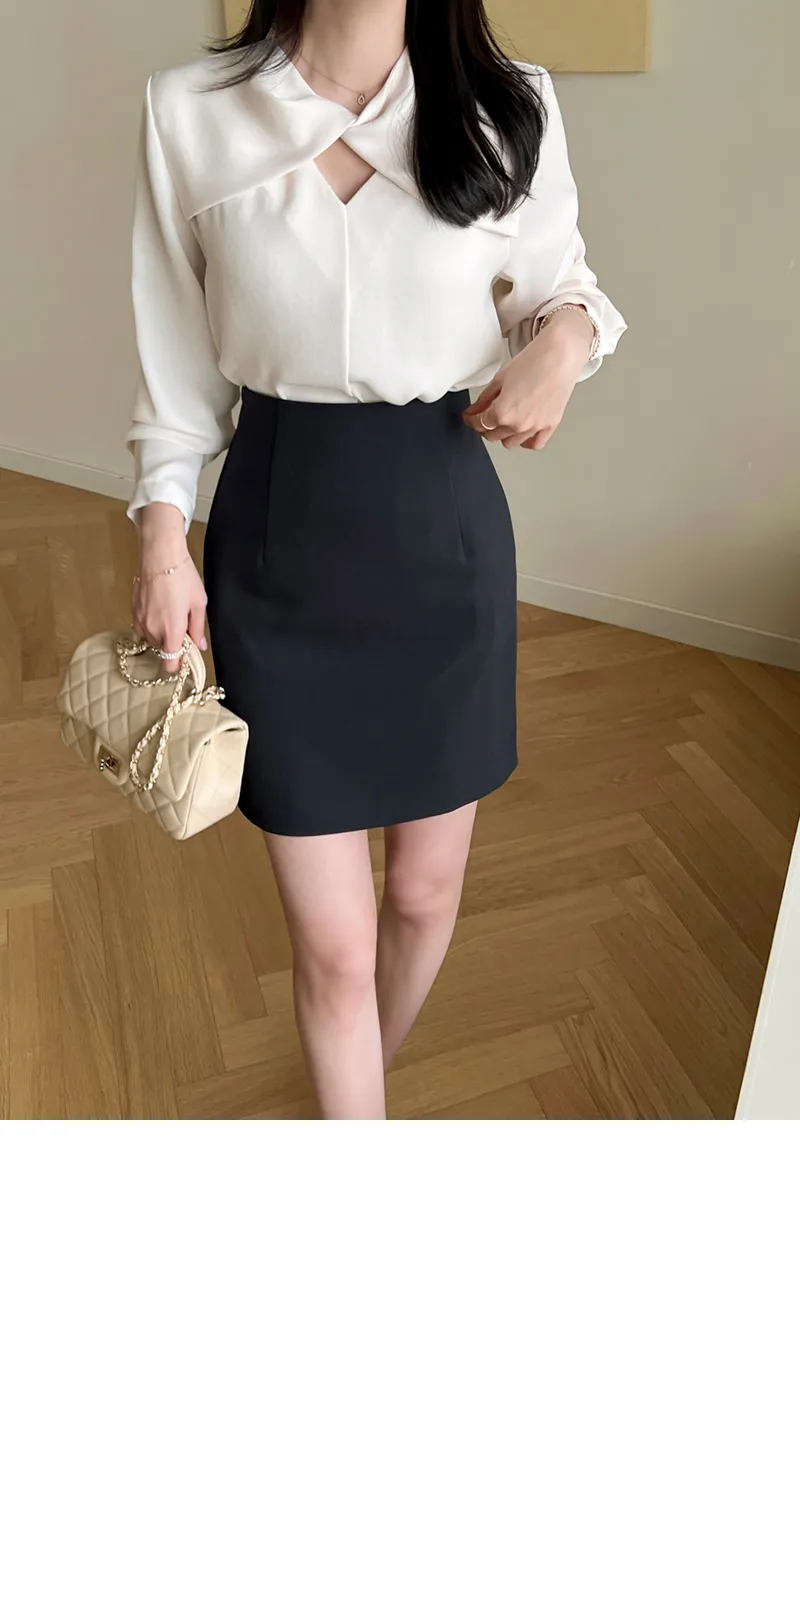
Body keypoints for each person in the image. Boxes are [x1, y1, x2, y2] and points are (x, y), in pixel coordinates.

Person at [126, 0, 626, 1120]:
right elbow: (173, 368)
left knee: (423, 898)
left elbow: (568, 288)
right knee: (336, 947)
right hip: (276, 544)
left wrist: (562, 343)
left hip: (444, 543)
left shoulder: (508, 105)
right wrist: (162, 539)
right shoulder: (189, 111)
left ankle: (348, 1104)